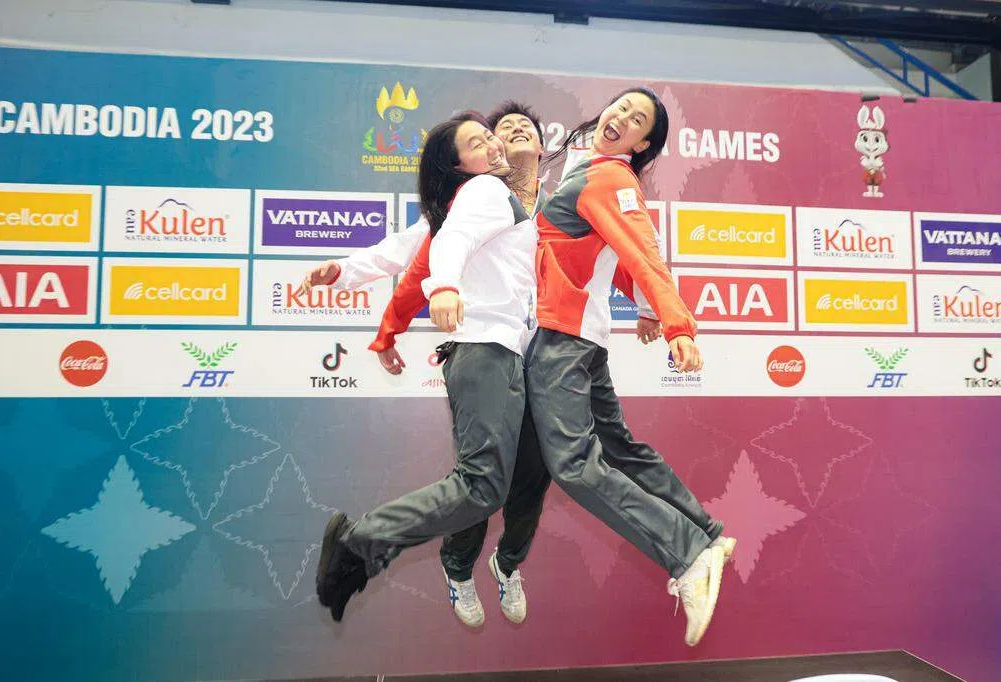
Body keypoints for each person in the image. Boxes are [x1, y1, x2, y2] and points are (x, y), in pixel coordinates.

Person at [314, 111, 542, 625]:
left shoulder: (480, 197)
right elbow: (448, 243)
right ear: (459, 166)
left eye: (489, 136)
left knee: (499, 483)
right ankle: (361, 544)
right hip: (487, 349)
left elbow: (399, 250)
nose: (494, 144)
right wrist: (443, 288)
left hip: (507, 355)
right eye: (479, 142)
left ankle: (367, 549)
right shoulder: (485, 191)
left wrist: (343, 271)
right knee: (482, 486)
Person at [526, 87, 734, 647]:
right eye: (621, 106)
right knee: (618, 449)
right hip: (581, 338)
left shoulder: (610, 179)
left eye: (637, 119)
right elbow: (600, 252)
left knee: (574, 466)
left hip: (562, 338)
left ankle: (688, 552)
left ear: (643, 144)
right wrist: (643, 307)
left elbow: (643, 252)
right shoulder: (592, 169)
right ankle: (707, 534)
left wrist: (677, 325)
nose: (621, 116)